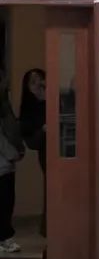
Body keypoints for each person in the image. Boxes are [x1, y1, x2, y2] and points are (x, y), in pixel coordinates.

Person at [0, 67, 25, 252]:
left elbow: (12, 129)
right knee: (4, 201)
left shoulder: (4, 103)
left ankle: (4, 238)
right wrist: (12, 154)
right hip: (3, 162)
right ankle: (4, 238)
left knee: (7, 202)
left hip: (6, 164)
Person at [19, 68, 45, 234]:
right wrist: (42, 130)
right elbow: (28, 135)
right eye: (33, 82)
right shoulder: (29, 106)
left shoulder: (53, 98)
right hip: (43, 148)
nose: (37, 85)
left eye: (40, 80)